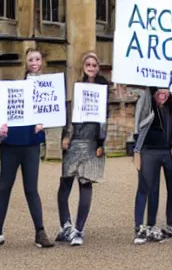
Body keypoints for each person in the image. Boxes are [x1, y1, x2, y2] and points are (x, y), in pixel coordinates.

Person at [0, 47, 53, 249]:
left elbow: (53, 111)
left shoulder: (48, 88)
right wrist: (0, 126)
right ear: (26, 62)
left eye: (37, 58)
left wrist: (45, 122)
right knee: (4, 187)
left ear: (42, 62)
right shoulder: (15, 86)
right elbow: (2, 107)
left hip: (31, 143)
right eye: (31, 59)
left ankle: (40, 232)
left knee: (31, 189)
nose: (34, 62)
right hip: (11, 143)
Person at [55, 52, 109, 246]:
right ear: (83, 66)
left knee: (86, 185)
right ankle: (66, 225)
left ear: (98, 67)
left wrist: (102, 143)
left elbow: (105, 119)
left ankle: (78, 229)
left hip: (92, 142)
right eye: (88, 64)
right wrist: (66, 136)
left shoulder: (104, 89)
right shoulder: (75, 86)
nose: (91, 67)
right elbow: (68, 113)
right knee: (64, 186)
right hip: (74, 140)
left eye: (94, 64)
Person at [132, 86, 172, 244]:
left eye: (166, 91)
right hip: (148, 150)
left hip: (166, 151)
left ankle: (151, 225)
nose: (163, 94)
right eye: (160, 91)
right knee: (145, 188)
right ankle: (139, 227)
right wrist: (137, 150)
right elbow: (139, 126)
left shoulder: (169, 106)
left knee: (157, 191)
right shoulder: (147, 103)